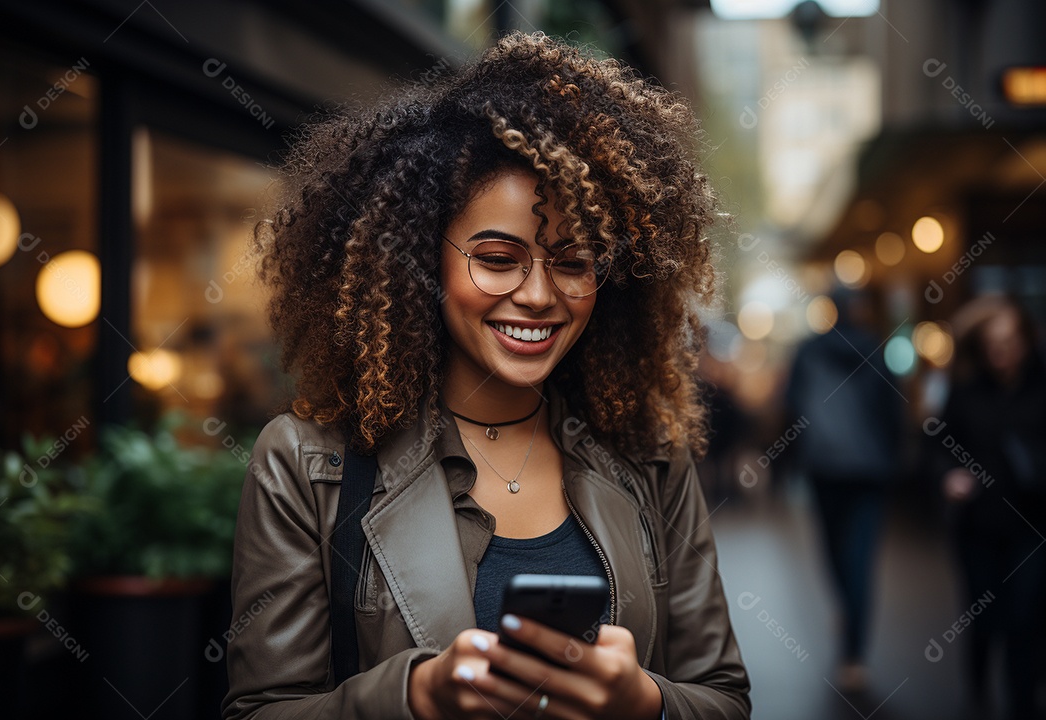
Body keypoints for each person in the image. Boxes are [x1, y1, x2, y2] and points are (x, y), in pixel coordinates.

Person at [223, 32, 750, 720]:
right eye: (498, 258)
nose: (538, 294)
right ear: (420, 259)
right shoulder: (307, 465)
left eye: (573, 261)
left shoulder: (649, 453)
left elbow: (724, 699)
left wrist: (644, 702)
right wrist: (413, 697)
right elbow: (262, 711)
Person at [931, 295, 1046, 720]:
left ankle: (1023, 703)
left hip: (1031, 523)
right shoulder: (965, 389)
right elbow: (939, 445)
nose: (1003, 351)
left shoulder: (1040, 384)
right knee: (982, 615)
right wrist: (948, 475)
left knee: (1024, 617)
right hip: (977, 525)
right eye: (994, 342)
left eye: (1011, 340)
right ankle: (978, 694)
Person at [784, 286, 903, 692]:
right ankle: (854, 654)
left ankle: (846, 616)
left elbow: (790, 406)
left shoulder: (807, 351)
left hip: (823, 467)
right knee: (861, 558)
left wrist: (786, 460)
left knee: (833, 550)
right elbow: (893, 410)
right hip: (869, 470)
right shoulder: (875, 349)